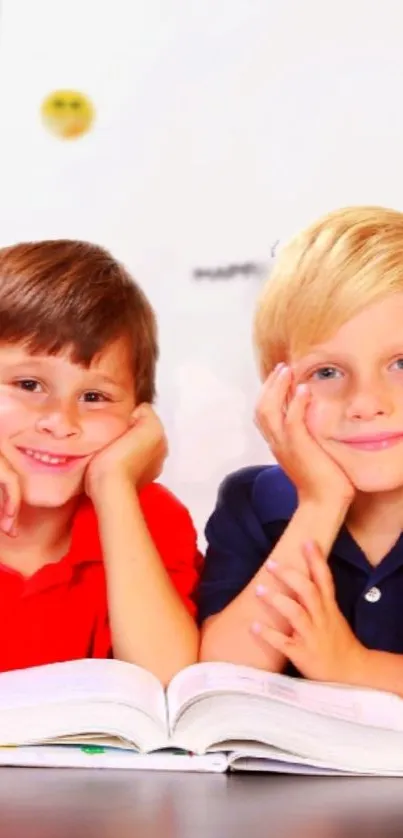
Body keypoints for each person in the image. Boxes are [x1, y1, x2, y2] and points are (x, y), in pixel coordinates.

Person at [199, 205, 403, 697]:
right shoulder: (254, 501)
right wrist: (320, 503)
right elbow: (222, 675)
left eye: (401, 363)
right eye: (327, 372)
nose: (366, 404)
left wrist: (355, 666)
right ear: (279, 390)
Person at [0, 239, 201, 684]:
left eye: (94, 396)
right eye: (29, 384)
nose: (60, 421)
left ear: (137, 416)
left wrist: (114, 487)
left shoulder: (149, 517)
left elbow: (167, 681)